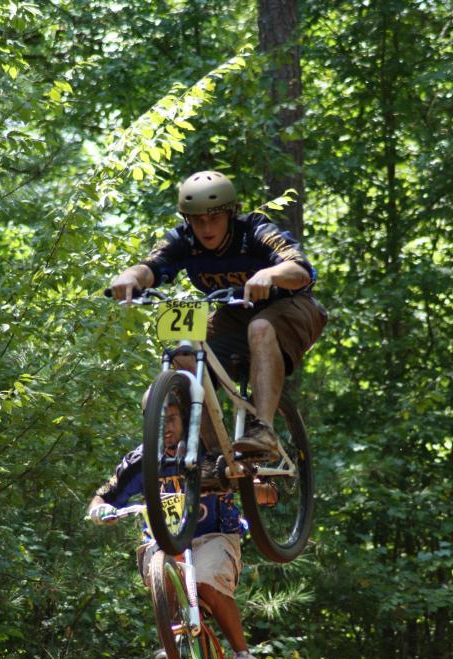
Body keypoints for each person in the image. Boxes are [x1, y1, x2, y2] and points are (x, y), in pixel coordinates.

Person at [110, 170, 327, 458]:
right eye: (198, 220)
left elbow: (301, 270)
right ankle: (215, 456)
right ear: (188, 220)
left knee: (261, 328)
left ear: (230, 213)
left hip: (294, 307)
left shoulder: (255, 231)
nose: (206, 227)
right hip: (236, 312)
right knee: (185, 356)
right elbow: (151, 265)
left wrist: (270, 275)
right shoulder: (184, 240)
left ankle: (264, 430)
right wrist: (130, 276)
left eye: (214, 218)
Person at [87, 394, 265, 659]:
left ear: (185, 418)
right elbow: (104, 494)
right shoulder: (141, 460)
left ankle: (244, 657)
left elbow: (254, 483)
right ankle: (173, 645)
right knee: (161, 568)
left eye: (171, 420)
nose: (165, 428)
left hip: (214, 535)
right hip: (163, 542)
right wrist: (99, 510)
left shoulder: (211, 451)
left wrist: (251, 486)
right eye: (157, 421)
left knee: (206, 579)